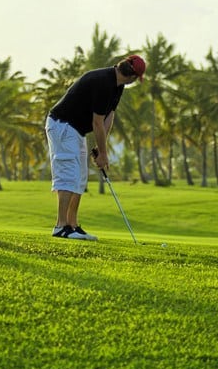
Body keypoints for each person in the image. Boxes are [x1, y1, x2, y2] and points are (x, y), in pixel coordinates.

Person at [45, 54, 146, 240]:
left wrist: (101, 149)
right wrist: (104, 155)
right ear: (132, 77)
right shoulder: (103, 82)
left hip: (75, 130)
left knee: (80, 176)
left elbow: (109, 116)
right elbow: (97, 123)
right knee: (69, 174)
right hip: (62, 125)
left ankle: (72, 225)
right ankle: (60, 226)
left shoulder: (118, 85)